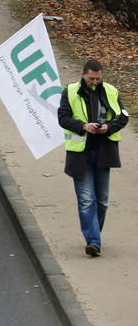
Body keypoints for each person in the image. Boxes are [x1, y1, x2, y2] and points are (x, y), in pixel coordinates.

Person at [57, 60, 130, 257]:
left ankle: (94, 234)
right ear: (83, 75)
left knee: (103, 200)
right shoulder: (70, 92)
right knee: (87, 199)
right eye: (91, 79)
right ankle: (93, 241)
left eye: (98, 78)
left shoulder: (111, 92)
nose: (95, 82)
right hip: (80, 154)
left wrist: (110, 128)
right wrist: (82, 126)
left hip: (104, 153)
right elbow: (62, 117)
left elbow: (123, 117)